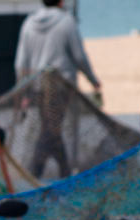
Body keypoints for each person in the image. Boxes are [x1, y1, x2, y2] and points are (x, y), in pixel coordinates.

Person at [14, 0, 101, 178]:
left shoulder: (29, 23)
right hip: (61, 87)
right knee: (51, 129)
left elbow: (20, 63)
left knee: (50, 126)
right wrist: (93, 80)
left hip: (38, 87)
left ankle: (57, 171)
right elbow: (79, 56)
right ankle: (40, 172)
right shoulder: (67, 21)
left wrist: (23, 90)